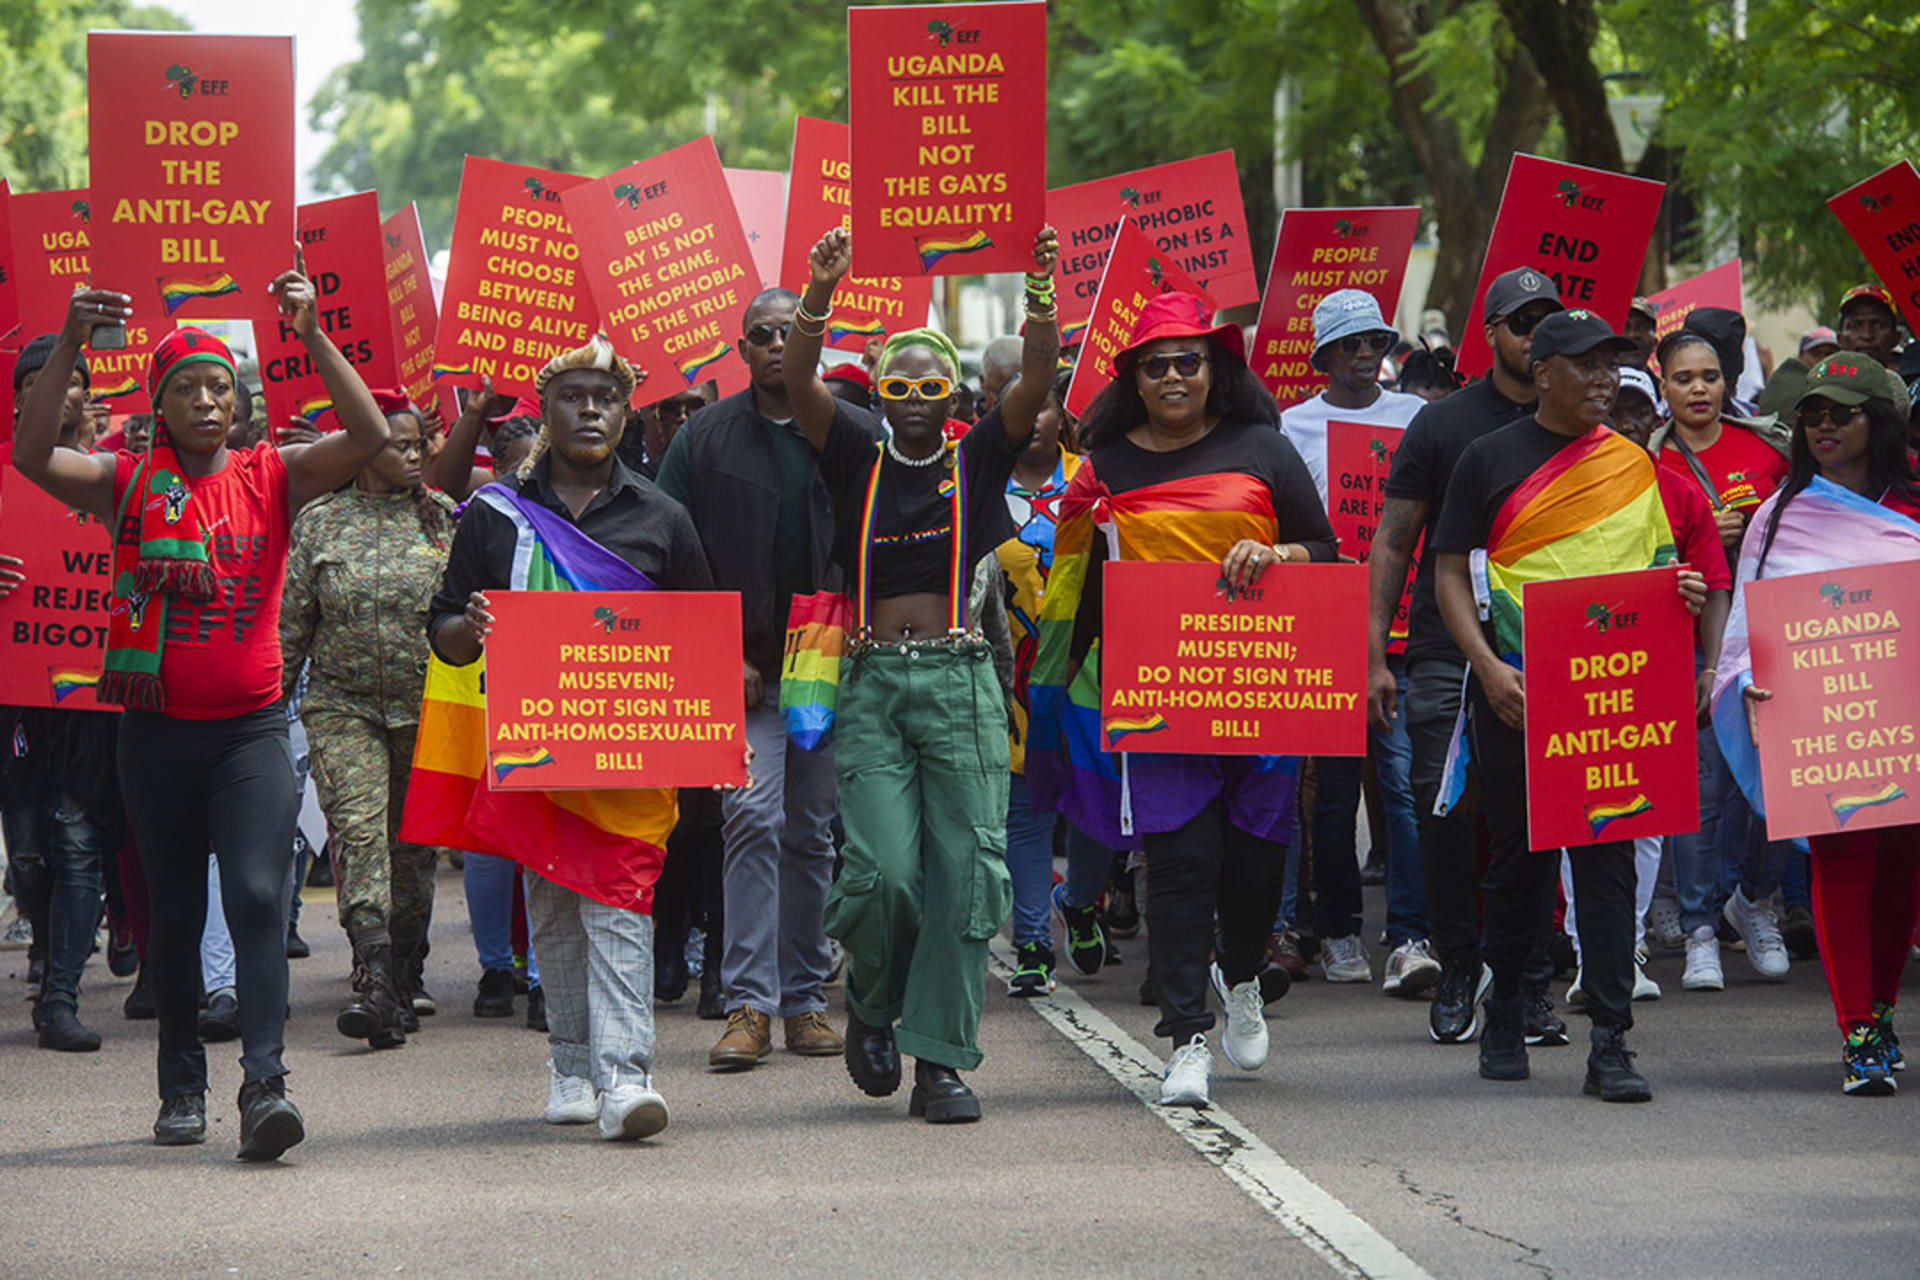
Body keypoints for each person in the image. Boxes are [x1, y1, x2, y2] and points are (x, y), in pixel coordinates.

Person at [13, 266, 393, 1158]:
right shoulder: (124, 483)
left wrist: (309, 336)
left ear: (240, 401)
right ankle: (181, 1081)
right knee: (176, 918)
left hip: (252, 732)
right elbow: (32, 459)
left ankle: (266, 1086)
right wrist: (69, 340)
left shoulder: (277, 475)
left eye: (220, 385)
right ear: (160, 400)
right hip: (157, 740)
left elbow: (371, 434)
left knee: (261, 896)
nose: (206, 400)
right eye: (186, 386)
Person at [1027, 289, 1338, 1109]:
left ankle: (1241, 977)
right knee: (1178, 866)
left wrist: (1277, 554)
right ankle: (1186, 1039)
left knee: (1251, 869)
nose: (1172, 376)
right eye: (1154, 364)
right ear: (1133, 377)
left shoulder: (1264, 450)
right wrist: (1059, 696)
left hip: (1261, 692)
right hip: (1158, 697)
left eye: (1187, 361)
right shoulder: (1104, 469)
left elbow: (1327, 548)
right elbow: (1073, 589)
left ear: (1213, 370)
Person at [781, 225, 1058, 1123]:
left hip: (960, 682)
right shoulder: (854, 448)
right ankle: (871, 997)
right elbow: (796, 381)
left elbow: (1038, 383)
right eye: (896, 382)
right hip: (870, 685)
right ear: (881, 390)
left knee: (966, 869)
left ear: (951, 394)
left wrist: (1040, 290)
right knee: (885, 873)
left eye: (929, 383)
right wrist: (818, 294)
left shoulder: (973, 457)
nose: (911, 397)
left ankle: (940, 1058)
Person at [426, 336, 712, 1141]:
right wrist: (470, 626)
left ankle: (628, 1077)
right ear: (544, 412)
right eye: (574, 396)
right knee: (553, 907)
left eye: (607, 397)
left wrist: (716, 740)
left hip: (631, 756)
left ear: (626, 413)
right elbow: (441, 627)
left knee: (620, 901)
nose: (591, 409)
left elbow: (698, 641)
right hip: (535, 748)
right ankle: (573, 1063)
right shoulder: (495, 515)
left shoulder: (664, 517)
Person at [1432, 309, 1706, 1101]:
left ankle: (1612, 1043)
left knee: (1608, 854)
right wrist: (1485, 667)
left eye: (1612, 365)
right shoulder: (1488, 457)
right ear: (1541, 369)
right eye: (1585, 364)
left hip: (1610, 691)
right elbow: (1450, 574)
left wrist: (1680, 592)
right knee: (1520, 859)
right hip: (1516, 689)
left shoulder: (1628, 465)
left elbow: (1656, 570)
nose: (1601, 379)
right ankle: (1510, 1006)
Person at [656, 287, 855, 1071]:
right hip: (742, 676)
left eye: (790, 332)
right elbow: (667, 548)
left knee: (810, 833)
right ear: (742, 350)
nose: (777, 344)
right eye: (762, 334)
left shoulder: (842, 431)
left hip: (830, 669)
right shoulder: (702, 437)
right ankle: (747, 1003)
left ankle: (805, 1000)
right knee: (752, 818)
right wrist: (714, 655)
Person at [1714, 355, 1920, 1094]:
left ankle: (1886, 1009)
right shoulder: (1779, 516)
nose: (1825, 425)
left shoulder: (1915, 504)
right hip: (1821, 721)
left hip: (1904, 721)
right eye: (1813, 414)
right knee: (1842, 863)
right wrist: (1747, 689)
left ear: (1880, 421)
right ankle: (1856, 1030)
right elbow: (1746, 625)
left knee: (1902, 872)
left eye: (1843, 412)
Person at [1369, 265, 1562, 1045]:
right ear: (1493, 336)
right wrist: (1373, 655)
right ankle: (1458, 967)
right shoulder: (1443, 426)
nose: (1535, 337)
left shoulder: (1581, 429)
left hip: (1550, 652)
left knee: (1540, 817)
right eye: (1522, 324)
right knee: (1439, 807)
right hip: (1445, 651)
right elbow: (1392, 541)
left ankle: (1529, 982)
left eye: (1549, 324)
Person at [280, 392, 455, 1050]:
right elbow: (293, 625)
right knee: (358, 834)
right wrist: (268, 707)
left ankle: (406, 970)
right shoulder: (322, 522)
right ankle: (374, 978)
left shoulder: (443, 521)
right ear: (360, 449)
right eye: (396, 445)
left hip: (425, 707)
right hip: (341, 706)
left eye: (418, 445)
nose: (412, 456)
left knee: (412, 851)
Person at [1278, 288, 1433, 992]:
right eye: (1351, 344)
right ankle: (1339, 928)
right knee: (1335, 792)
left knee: (1401, 787)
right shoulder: (1293, 428)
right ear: (1324, 356)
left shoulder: (1416, 419)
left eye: (1375, 341)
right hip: (1327, 632)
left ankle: (1410, 934)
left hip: (1404, 631)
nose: (1367, 355)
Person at [1648, 330, 1794, 990]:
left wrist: (1755, 527)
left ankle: (1756, 902)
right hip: (1687, 637)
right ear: (1664, 385)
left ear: (1727, 382)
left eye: (1710, 375)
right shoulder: (1641, 461)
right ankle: (1703, 925)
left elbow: (1806, 522)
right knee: (1702, 786)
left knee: (1768, 778)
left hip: (1768, 632)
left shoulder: (1768, 449)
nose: (1699, 387)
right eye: (1684, 378)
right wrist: (1703, 530)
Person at [0, 334, 125, 1053]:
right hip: (17, 700)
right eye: (40, 382)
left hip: (88, 695)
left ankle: (60, 997)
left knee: (78, 840)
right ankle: (45, 944)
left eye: (70, 380)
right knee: (30, 853)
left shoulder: (115, 476)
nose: (57, 393)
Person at [995, 371, 1113, 997]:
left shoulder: (1093, 478)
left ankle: (1084, 901)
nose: (1028, 417)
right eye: (1014, 407)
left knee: (1095, 798)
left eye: (1039, 405)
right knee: (1029, 805)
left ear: (1060, 415)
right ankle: (1034, 944)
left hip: (1092, 663)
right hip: (1016, 673)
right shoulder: (980, 487)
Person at [1836, 284, 1902, 370]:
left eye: (1879, 325)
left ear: (1896, 337)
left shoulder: (1911, 381)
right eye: (1854, 326)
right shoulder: (1822, 382)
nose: (1866, 335)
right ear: (1840, 339)